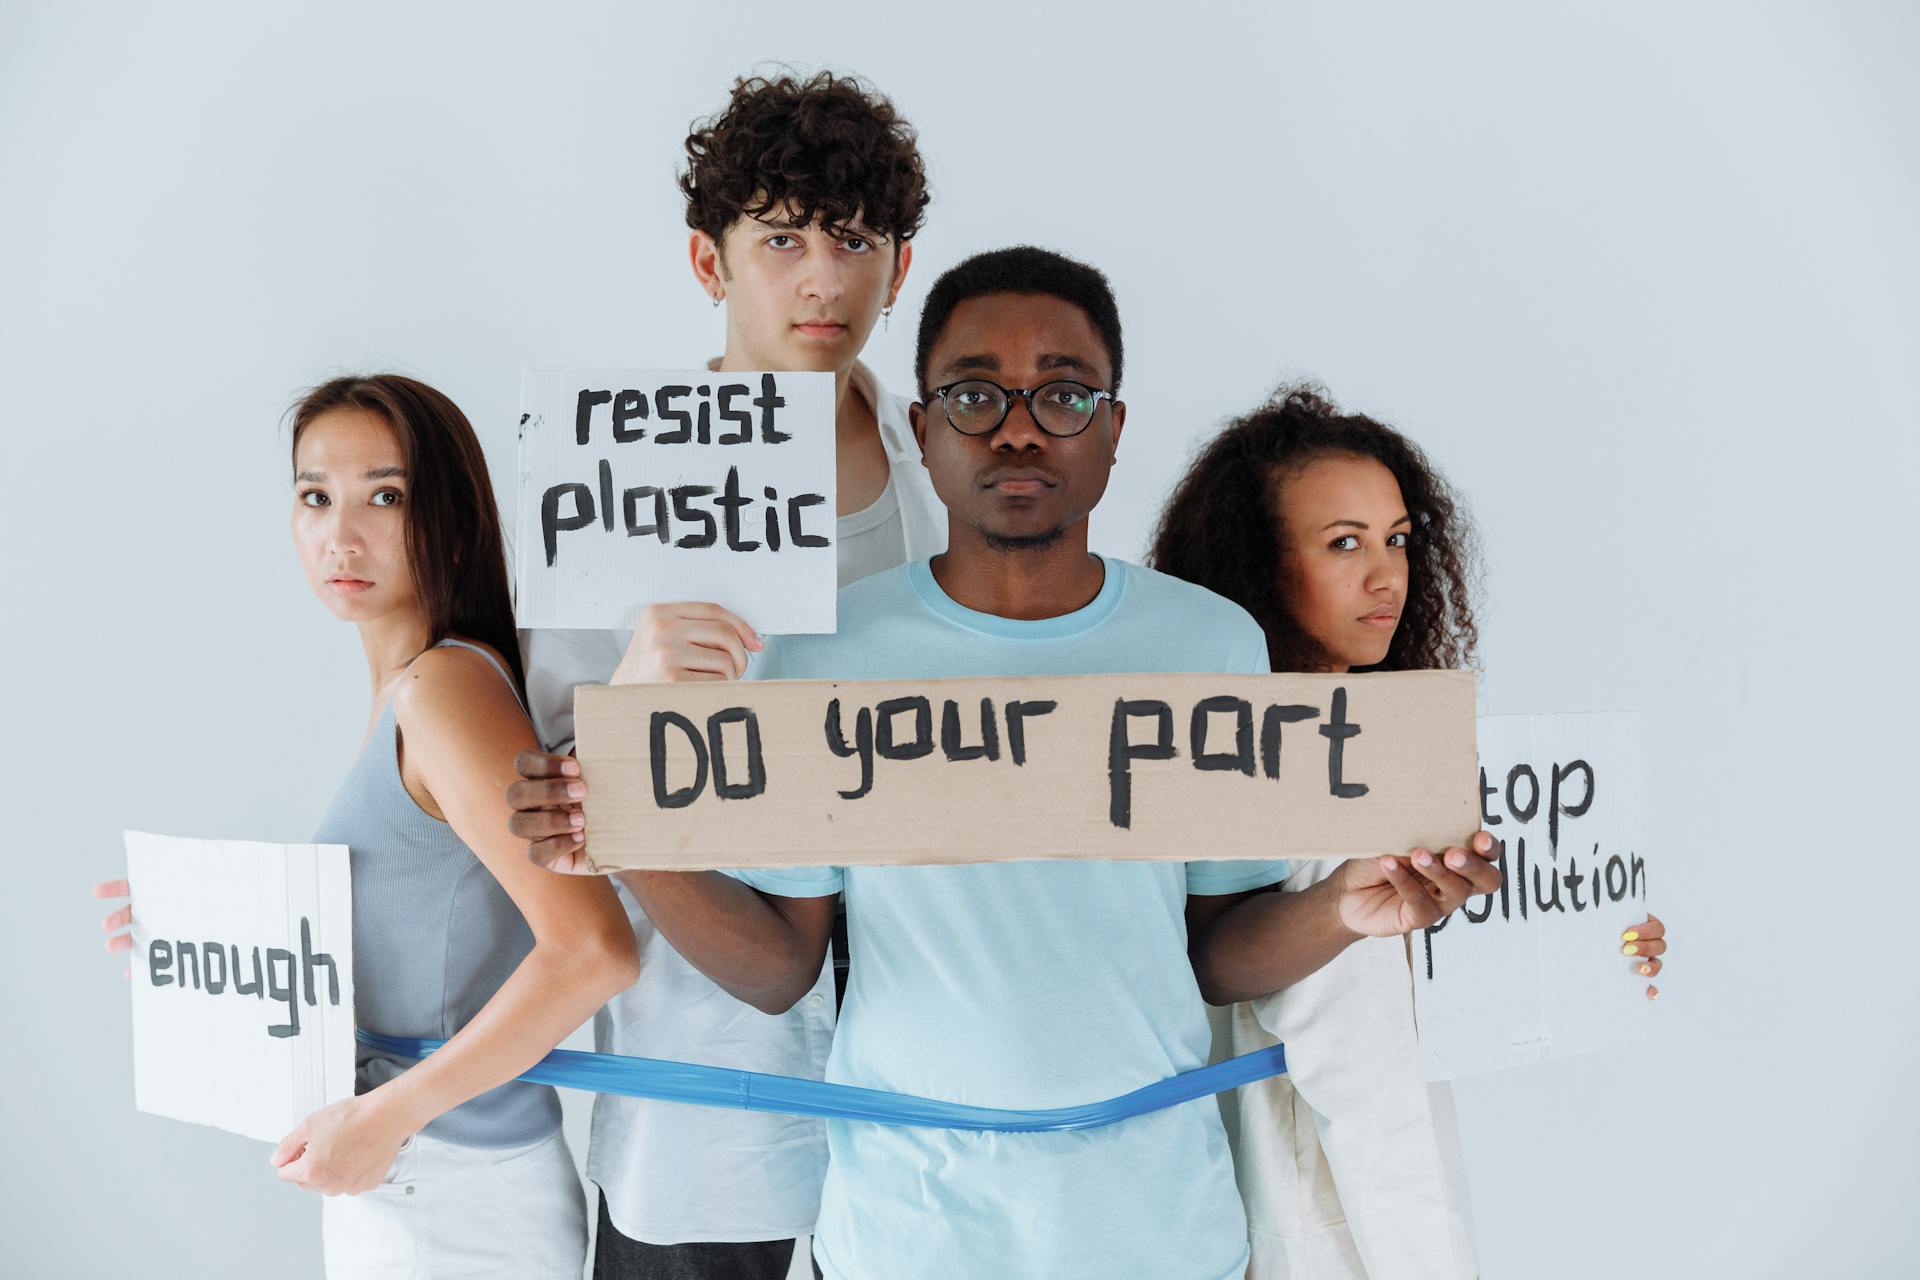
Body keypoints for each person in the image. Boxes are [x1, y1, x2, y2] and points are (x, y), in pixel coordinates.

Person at [508, 247, 1505, 1280]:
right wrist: (624, 837)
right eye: (975, 393)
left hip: (1161, 1233)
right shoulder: (821, 653)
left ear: (1114, 430)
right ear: (923, 428)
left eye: (1064, 393)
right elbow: (781, 965)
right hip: (903, 1237)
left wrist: (1347, 904)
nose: (1019, 427)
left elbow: (1215, 950)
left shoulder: (1209, 645)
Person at [518, 71, 944, 1278]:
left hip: (930, 1038)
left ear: (897, 268)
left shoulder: (946, 458)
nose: (822, 276)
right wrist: (637, 690)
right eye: (781, 238)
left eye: (853, 239)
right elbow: (540, 794)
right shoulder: (617, 473)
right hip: (712, 1064)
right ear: (712, 263)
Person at [94, 374, 638, 1278]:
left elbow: (593, 952)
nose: (340, 535)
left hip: (448, 1186)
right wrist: (198, 948)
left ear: (451, 516)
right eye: (315, 497)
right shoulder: (411, 692)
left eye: (385, 496)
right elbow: (422, 936)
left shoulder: (441, 691)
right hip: (418, 1173)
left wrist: (384, 1121)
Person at [1148, 385, 1669, 1279]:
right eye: (1343, 543)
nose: (1387, 575)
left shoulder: (1341, 741)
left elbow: (1436, 977)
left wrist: (1586, 946)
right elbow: (1364, 1070)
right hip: (1324, 1205)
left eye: (1396, 539)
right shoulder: (1308, 763)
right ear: (1253, 560)